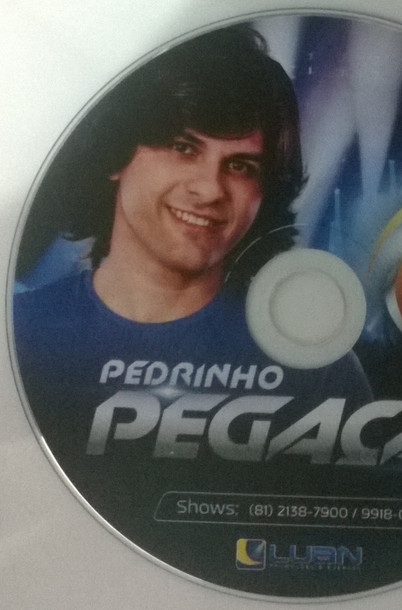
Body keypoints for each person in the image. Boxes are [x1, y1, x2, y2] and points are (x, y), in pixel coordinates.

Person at [12, 26, 371, 464]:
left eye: (240, 166)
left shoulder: (314, 366)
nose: (210, 189)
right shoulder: (17, 335)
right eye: (183, 148)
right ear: (116, 156)